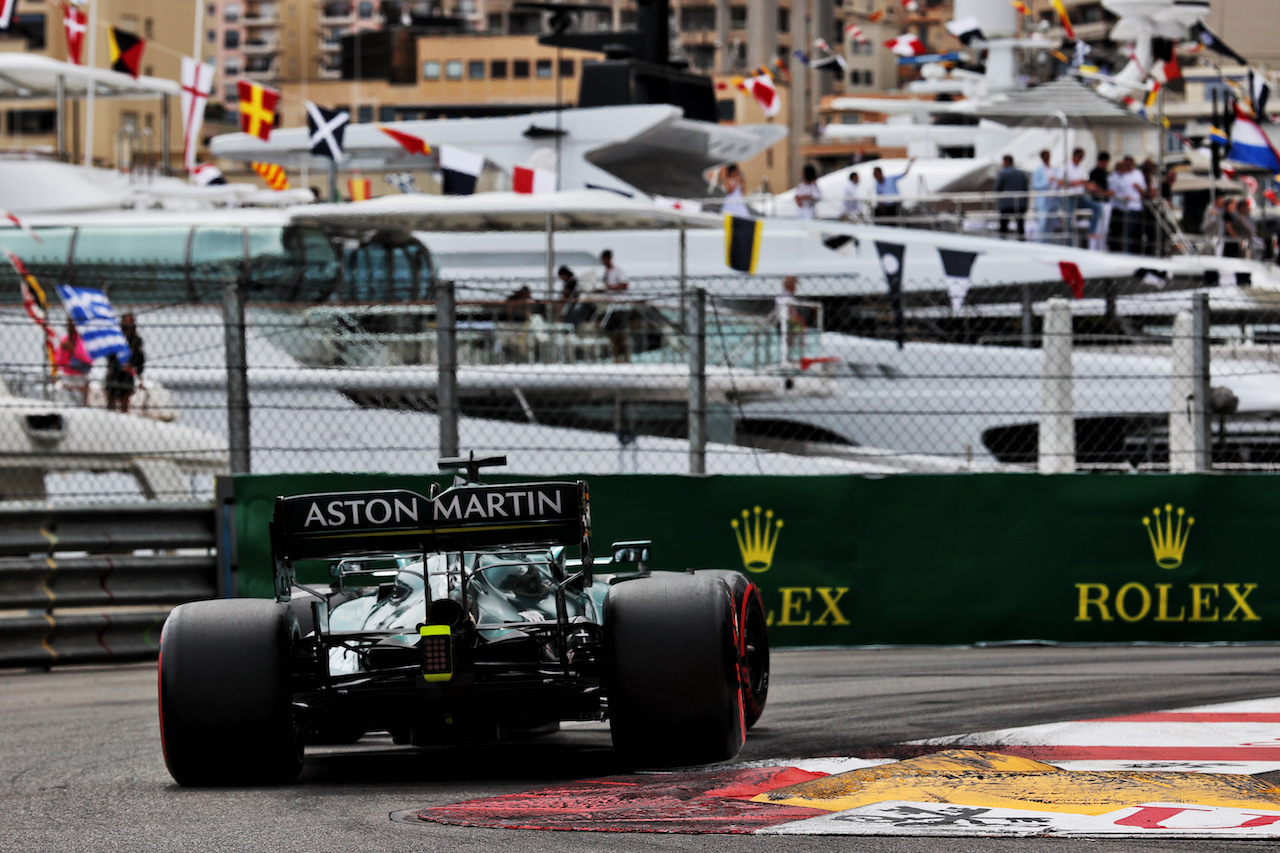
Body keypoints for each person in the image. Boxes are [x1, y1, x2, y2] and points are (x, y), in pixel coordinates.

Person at [1063, 148, 1103, 248]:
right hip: (1069, 197)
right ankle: (1068, 243)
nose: (1081, 159)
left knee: (1098, 207)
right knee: (1069, 219)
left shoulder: (1081, 168)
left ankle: (1091, 231)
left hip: (1080, 197)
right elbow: (1061, 183)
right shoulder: (1066, 167)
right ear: (1075, 156)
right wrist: (1078, 182)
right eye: (1081, 157)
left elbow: (1084, 183)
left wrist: (1093, 188)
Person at [105, 312, 145, 413]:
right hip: (115, 371)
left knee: (125, 399)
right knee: (111, 398)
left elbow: (140, 358)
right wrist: (113, 367)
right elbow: (110, 355)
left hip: (128, 373)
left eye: (130, 321)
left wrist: (139, 374)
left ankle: (124, 413)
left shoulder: (137, 340)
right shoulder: (115, 338)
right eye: (126, 321)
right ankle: (110, 414)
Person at [600, 249, 631, 361]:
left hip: (620, 306)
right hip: (611, 306)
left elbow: (625, 284)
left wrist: (611, 288)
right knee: (611, 333)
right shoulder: (606, 274)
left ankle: (626, 356)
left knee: (621, 332)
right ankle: (616, 356)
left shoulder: (617, 271)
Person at [55, 318, 91, 405]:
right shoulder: (65, 339)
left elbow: (87, 358)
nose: (71, 327)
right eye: (69, 325)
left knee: (79, 400)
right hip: (67, 375)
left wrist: (72, 349)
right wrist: (64, 350)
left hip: (80, 375)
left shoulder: (83, 340)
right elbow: (58, 361)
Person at [993, 155, 1029, 239]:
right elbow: (1025, 189)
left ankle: (1003, 243)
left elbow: (997, 188)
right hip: (1020, 203)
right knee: (1020, 226)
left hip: (1006, 204)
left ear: (1006, 162)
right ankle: (1022, 242)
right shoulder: (1021, 174)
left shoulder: (1002, 173)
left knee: (1003, 227)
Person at [1086, 152, 1114, 250]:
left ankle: (1101, 248)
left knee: (1104, 228)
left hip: (1106, 202)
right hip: (1098, 201)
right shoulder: (1094, 173)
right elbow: (1093, 188)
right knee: (1096, 227)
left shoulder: (1106, 173)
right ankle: (1093, 248)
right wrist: (1105, 193)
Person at [1031, 149, 1060, 243]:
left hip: (1054, 200)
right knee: (1042, 225)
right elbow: (1035, 185)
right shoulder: (1038, 171)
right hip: (1043, 201)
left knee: (1050, 225)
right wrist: (1048, 181)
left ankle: (1047, 244)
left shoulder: (1055, 169)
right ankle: (1039, 243)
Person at [774, 275, 806, 360]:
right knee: (799, 330)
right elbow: (788, 309)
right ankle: (794, 356)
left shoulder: (789, 296)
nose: (796, 288)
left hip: (787, 321)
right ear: (791, 286)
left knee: (798, 331)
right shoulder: (784, 296)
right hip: (784, 321)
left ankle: (792, 356)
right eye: (794, 285)